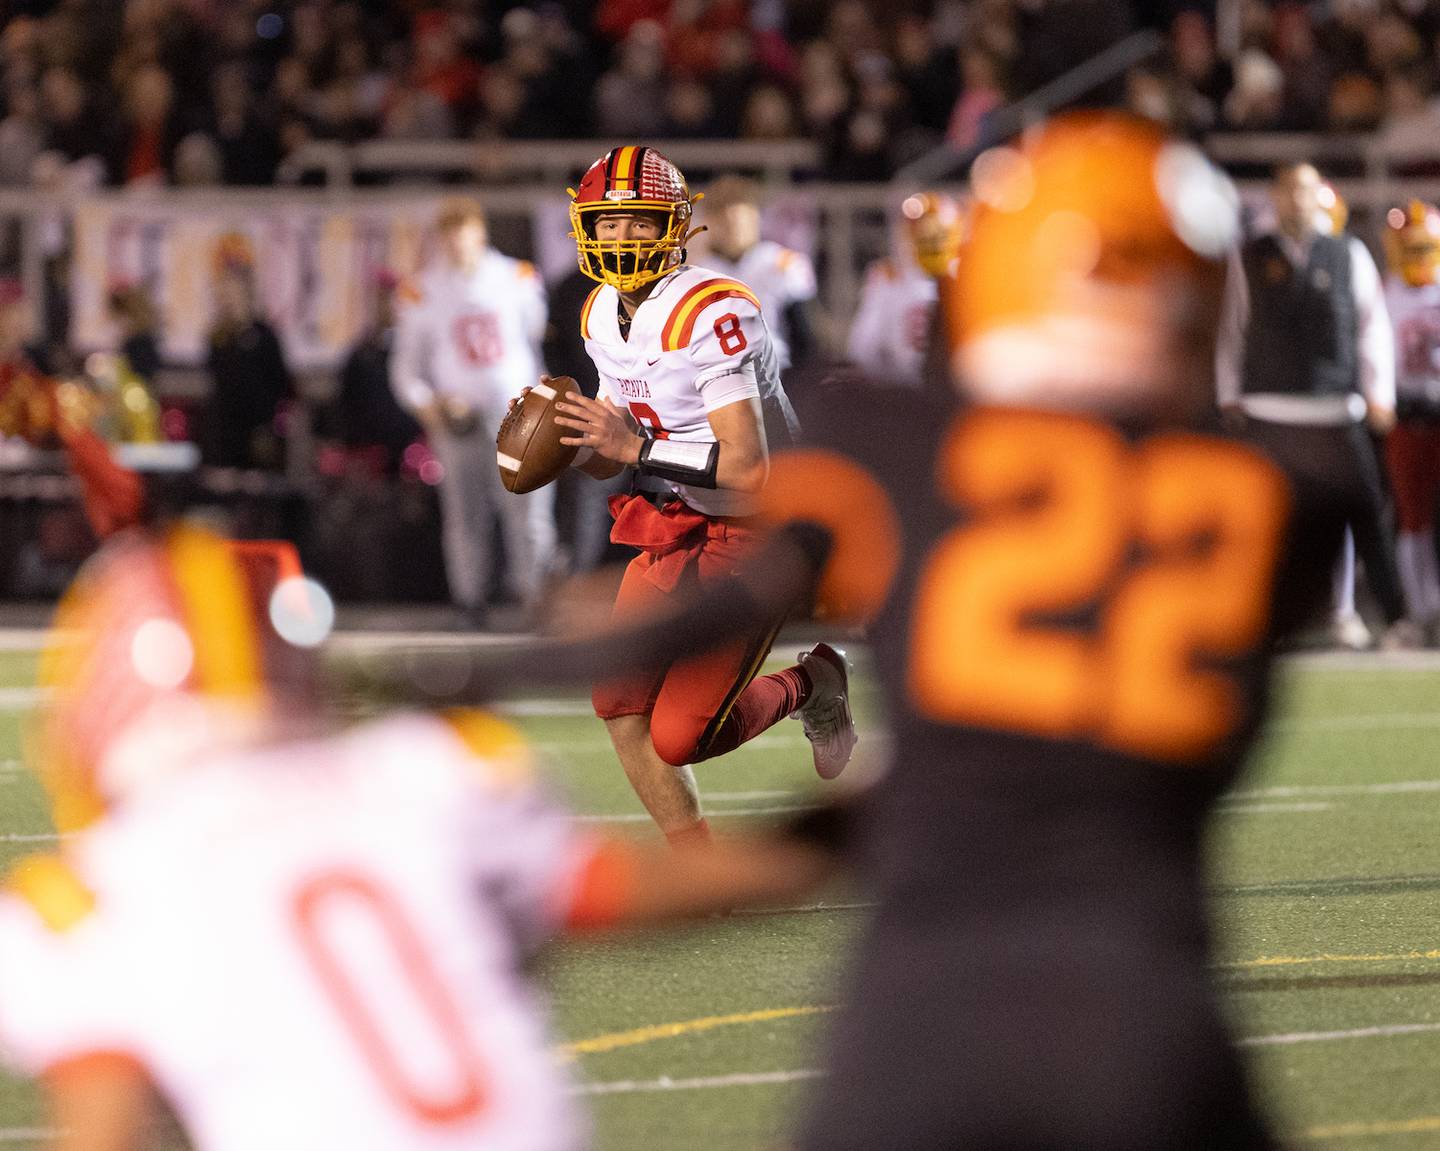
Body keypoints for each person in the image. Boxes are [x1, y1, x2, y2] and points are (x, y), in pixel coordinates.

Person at [549, 113, 1331, 1150]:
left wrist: (584, 863)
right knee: (631, 711)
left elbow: (766, 498)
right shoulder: (1283, 507)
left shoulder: (899, 448)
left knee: (680, 724)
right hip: (1148, 1013)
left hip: (918, 1012)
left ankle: (800, 692)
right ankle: (728, 787)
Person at [0, 523, 831, 1151]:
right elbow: (622, 889)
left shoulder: (88, 899)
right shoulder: (422, 775)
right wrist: (854, 832)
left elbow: (100, 1129)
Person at [523, 144, 852, 847]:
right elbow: (610, 457)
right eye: (606, 223)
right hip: (684, 518)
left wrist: (635, 449)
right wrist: (571, 446)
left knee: (680, 736)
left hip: (766, 525)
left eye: (638, 221)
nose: (620, 238)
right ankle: (695, 860)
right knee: (618, 703)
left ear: (673, 225)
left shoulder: (712, 310)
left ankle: (813, 680)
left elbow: (749, 467)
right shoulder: (600, 312)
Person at [1216, 162, 1412, 647]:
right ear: (1275, 197)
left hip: (1335, 405)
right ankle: (1249, 621)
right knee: (1257, 517)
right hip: (1268, 406)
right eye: (1287, 191)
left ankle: (1392, 620)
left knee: (1365, 513)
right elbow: (1230, 330)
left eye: (1305, 191)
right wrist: (1228, 393)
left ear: (1319, 196)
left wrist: (1378, 392)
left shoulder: (1348, 252)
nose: (1296, 201)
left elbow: (1372, 327)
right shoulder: (1249, 256)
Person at [391, 197, 555, 623]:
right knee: (465, 515)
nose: (458, 243)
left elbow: (537, 345)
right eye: (449, 235)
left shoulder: (516, 277)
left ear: (480, 233)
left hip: (516, 412)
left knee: (528, 509)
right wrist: (432, 406)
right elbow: (407, 369)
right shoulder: (422, 290)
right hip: (457, 419)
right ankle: (470, 600)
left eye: (464, 232)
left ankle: (537, 597)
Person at [1381, 200, 1440, 639]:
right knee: (1410, 516)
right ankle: (1420, 609)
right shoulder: (1385, 291)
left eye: (1426, 248)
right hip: (1404, 413)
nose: (1418, 258)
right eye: (1411, 249)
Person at [694, 175, 820, 374]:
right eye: (725, 223)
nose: (733, 231)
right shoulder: (697, 275)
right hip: (715, 379)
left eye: (738, 222)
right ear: (708, 223)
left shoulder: (781, 263)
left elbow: (803, 338)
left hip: (777, 375)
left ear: (755, 218)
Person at [845, 192, 962, 387]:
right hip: (936, 395)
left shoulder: (889, 277)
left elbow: (862, 351)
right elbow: (862, 351)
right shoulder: (889, 277)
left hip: (910, 396)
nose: (931, 242)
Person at [203, 264, 294, 472]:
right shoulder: (218, 338)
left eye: (231, 291)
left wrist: (269, 427)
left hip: (257, 433)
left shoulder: (264, 336)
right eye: (222, 292)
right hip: (224, 436)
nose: (226, 298)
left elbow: (280, 384)